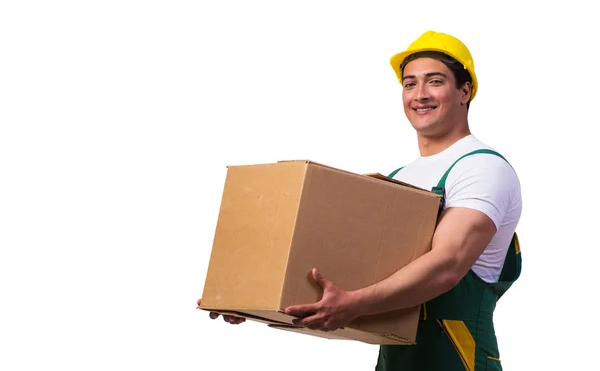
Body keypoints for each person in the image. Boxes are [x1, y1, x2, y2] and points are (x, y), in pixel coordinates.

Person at [199, 30, 523, 371]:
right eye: (409, 84)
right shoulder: (400, 180)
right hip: (396, 360)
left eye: (435, 81)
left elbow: (447, 264)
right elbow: (353, 271)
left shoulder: (482, 167)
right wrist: (253, 297)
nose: (420, 95)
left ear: (465, 91)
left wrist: (353, 303)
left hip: (458, 359)